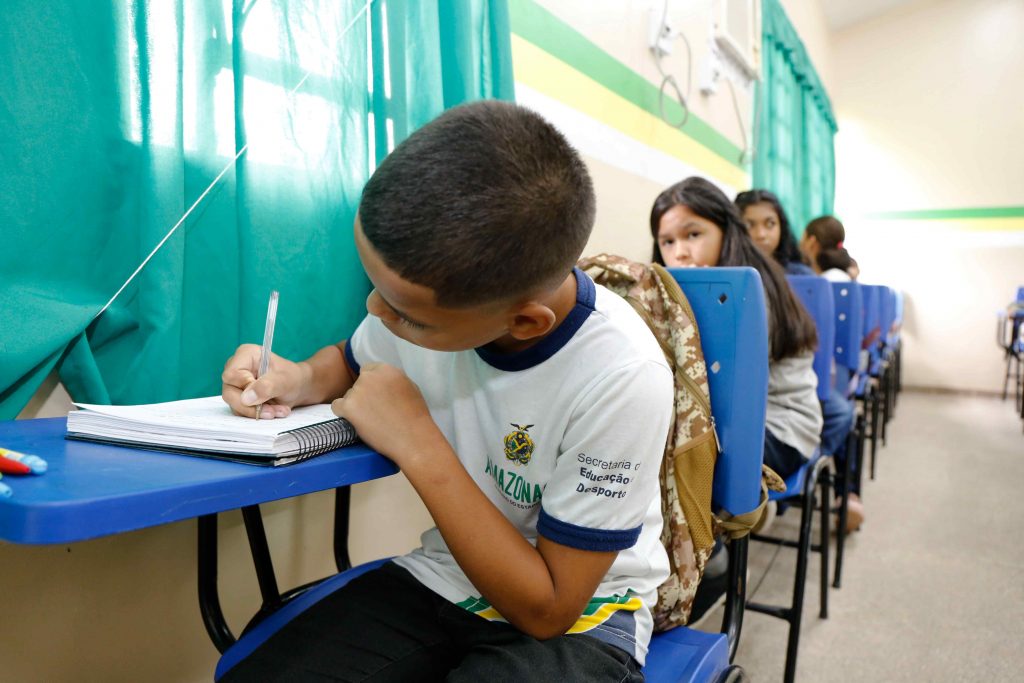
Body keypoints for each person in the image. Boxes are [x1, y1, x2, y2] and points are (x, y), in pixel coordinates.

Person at [219, 101, 675, 682]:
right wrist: (297, 377)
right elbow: (350, 361)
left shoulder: (623, 376)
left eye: (405, 315)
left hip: (584, 615)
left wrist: (418, 444)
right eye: (374, 287)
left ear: (525, 322)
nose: (374, 312)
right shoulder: (425, 310)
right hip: (450, 577)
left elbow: (549, 609)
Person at [650, 177, 821, 490]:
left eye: (693, 234)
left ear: (727, 233)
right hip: (725, 422)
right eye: (668, 242)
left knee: (681, 463)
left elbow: (727, 392)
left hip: (779, 426)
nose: (681, 253)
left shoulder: (752, 290)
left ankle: (730, 524)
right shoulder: (676, 289)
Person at [735, 189, 815, 275]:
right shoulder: (727, 273)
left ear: (782, 226)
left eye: (770, 224)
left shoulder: (801, 275)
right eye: (749, 225)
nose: (761, 234)